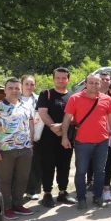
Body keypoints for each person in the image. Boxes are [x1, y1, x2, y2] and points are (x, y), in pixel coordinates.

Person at [61, 75, 111, 210]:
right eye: (91, 82)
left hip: (102, 141)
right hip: (82, 142)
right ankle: (81, 198)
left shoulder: (107, 99)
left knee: (100, 171)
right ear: (85, 83)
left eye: (97, 83)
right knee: (81, 171)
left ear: (101, 84)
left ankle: (98, 197)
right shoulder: (75, 98)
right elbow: (67, 119)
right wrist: (64, 137)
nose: (94, 85)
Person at [0, 78, 35, 220]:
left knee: (22, 178)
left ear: (21, 90)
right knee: (5, 180)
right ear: (5, 90)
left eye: (17, 88)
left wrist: (31, 144)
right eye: (11, 88)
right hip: (5, 149)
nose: (14, 91)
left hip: (25, 149)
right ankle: (6, 207)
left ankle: (18, 204)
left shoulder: (26, 106)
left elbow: (30, 125)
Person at [36, 68, 76, 207]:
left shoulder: (72, 96)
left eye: (64, 78)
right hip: (48, 138)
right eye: (58, 78)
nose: (61, 80)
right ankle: (47, 193)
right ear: (53, 79)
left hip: (67, 137)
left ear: (68, 80)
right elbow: (42, 112)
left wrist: (63, 130)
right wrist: (54, 127)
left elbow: (74, 116)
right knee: (48, 166)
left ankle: (63, 192)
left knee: (64, 166)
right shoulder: (46, 94)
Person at [20, 74, 42, 200]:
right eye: (26, 84)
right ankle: (18, 190)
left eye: (32, 84)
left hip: (36, 136)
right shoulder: (15, 98)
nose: (29, 86)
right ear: (21, 84)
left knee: (35, 165)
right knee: (19, 165)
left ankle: (32, 190)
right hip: (18, 136)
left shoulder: (39, 99)